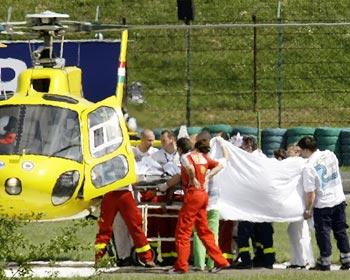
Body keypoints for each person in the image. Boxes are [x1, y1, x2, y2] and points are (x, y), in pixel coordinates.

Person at [94, 130, 157, 268]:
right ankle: (146, 258)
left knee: (106, 228)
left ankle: (98, 258)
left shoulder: (103, 154)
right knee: (134, 226)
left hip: (111, 193)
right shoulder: (127, 153)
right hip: (122, 193)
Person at [169, 138, 230, 273]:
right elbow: (220, 165)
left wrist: (192, 178)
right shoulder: (203, 157)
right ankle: (220, 261)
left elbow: (189, 168)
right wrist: (208, 176)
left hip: (192, 195)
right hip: (203, 196)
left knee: (183, 232)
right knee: (204, 231)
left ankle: (181, 266)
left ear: (179, 149)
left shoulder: (186, 157)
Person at [298, 136, 350, 271]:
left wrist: (308, 210)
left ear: (306, 150)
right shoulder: (330, 154)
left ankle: (325, 261)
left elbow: (311, 193)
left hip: (323, 204)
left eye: (301, 151)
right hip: (338, 199)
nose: (300, 154)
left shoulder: (309, 166)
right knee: (341, 231)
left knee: (323, 233)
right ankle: (347, 259)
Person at [233, 136, 275, 269]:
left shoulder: (251, 160)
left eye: (244, 147)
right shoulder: (263, 158)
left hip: (251, 202)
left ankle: (246, 261)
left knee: (243, 233)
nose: (242, 150)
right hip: (263, 203)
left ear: (250, 145)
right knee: (263, 233)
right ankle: (266, 260)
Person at [192, 131, 229, 271]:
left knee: (198, 234)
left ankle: (199, 264)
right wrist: (222, 143)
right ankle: (212, 263)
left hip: (199, 203)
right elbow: (226, 158)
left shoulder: (194, 160)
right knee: (213, 235)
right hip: (213, 203)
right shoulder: (214, 161)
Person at [281, 143, 315, 270]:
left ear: (297, 152)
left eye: (290, 151)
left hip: (299, 203)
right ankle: (301, 259)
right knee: (300, 232)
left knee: (297, 232)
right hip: (299, 202)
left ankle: (301, 260)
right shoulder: (301, 164)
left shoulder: (298, 163)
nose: (288, 153)